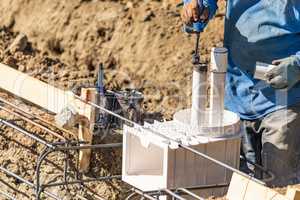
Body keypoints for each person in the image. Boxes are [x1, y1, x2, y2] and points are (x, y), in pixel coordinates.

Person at [181, 0, 300, 186]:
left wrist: (297, 65)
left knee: (280, 187)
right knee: (236, 185)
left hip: (284, 99)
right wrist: (198, 7)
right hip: (236, 96)